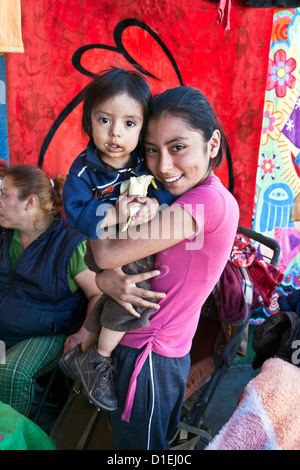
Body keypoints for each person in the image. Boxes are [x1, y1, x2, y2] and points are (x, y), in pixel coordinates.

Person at [87, 85, 240, 450]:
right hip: (150, 352)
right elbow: (109, 266)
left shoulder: (204, 203)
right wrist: (106, 276)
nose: (163, 166)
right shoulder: (182, 197)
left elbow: (106, 256)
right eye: (152, 150)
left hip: (148, 357)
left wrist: (95, 205)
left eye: (178, 147)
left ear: (213, 145)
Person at [60, 67, 174, 412]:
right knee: (134, 296)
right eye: (104, 120)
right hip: (105, 246)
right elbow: (77, 213)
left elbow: (169, 191)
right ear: (88, 122)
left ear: (143, 127)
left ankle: (83, 355)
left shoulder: (145, 161)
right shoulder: (84, 170)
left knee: (114, 295)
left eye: (129, 124)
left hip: (131, 242)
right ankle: (100, 359)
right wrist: (113, 212)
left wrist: (154, 204)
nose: (115, 133)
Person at [0, 165, 100, 417]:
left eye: (4, 194)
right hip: (5, 329)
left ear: (29, 202)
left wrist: (83, 334)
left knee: (11, 372)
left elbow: (98, 294)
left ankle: (10, 438)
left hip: (45, 334)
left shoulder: (70, 243)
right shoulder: (4, 234)